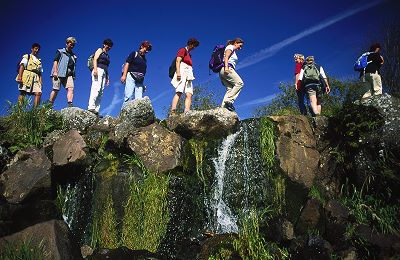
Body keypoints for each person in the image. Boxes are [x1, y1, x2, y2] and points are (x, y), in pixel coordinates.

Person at [169, 38, 200, 115]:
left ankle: (187, 111)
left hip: (189, 73)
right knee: (179, 91)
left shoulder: (189, 54)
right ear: (190, 44)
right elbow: (178, 61)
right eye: (194, 45)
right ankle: (173, 111)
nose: (194, 47)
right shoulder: (183, 50)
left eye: (195, 46)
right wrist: (178, 73)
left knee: (189, 93)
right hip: (182, 70)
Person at [120, 40, 152, 108]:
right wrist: (124, 75)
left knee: (139, 99)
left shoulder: (144, 59)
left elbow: (143, 71)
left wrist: (143, 84)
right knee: (128, 96)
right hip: (131, 76)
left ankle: (137, 116)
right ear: (142, 46)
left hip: (140, 80)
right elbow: (127, 63)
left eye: (148, 49)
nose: (147, 51)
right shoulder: (134, 53)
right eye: (146, 48)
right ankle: (124, 114)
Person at [49, 37, 77, 107]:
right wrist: (55, 71)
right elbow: (55, 61)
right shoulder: (60, 51)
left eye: (73, 45)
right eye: (70, 44)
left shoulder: (73, 56)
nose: (72, 46)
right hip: (59, 73)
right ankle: (49, 104)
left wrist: (73, 75)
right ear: (66, 44)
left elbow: (73, 67)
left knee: (71, 88)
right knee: (56, 89)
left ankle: (70, 103)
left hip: (68, 74)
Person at [87, 39, 113, 116]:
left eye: (110, 46)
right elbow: (95, 59)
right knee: (96, 88)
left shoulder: (107, 55)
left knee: (101, 92)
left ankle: (96, 110)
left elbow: (106, 67)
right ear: (104, 44)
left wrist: (107, 78)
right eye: (107, 45)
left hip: (104, 73)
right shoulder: (100, 50)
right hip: (98, 70)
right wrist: (95, 69)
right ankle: (91, 107)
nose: (108, 47)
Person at [219, 38, 244, 112]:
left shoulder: (231, 48)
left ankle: (223, 109)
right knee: (240, 83)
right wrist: (226, 67)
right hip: (227, 68)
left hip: (222, 71)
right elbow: (226, 56)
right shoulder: (230, 47)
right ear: (236, 43)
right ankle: (229, 101)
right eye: (240, 45)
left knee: (230, 89)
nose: (240, 48)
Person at [16, 43, 43, 107]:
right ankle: (19, 111)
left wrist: (41, 81)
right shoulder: (27, 56)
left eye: (38, 49)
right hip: (27, 75)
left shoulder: (39, 61)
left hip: (36, 77)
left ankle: (35, 112)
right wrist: (20, 76)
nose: (37, 50)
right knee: (23, 92)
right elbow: (22, 66)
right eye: (36, 49)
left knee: (38, 93)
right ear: (32, 49)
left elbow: (40, 72)